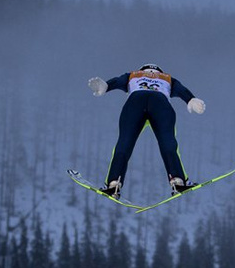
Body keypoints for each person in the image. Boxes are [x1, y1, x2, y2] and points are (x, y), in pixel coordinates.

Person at [88, 63, 206, 198]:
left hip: (135, 103)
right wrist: (191, 99)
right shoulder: (167, 78)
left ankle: (113, 184)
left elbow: (117, 81)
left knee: (124, 144)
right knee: (168, 144)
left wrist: (106, 86)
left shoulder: (133, 75)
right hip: (160, 103)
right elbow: (181, 90)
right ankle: (178, 180)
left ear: (142, 69)